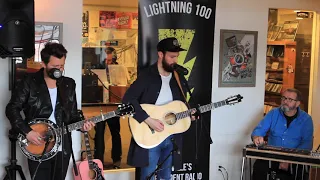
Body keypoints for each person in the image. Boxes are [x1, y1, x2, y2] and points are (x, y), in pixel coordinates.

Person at [5, 42, 95, 180]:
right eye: (54, 67)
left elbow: (72, 116)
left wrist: (82, 125)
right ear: (43, 64)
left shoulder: (68, 84)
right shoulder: (29, 82)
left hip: (62, 146)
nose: (58, 70)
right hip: (38, 144)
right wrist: (27, 132)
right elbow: (12, 108)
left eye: (61, 66)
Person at [122, 37, 197, 180]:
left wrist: (189, 115)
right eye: (171, 56)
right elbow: (128, 100)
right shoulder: (147, 76)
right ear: (161, 54)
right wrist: (148, 120)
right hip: (149, 135)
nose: (175, 60)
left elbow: (181, 105)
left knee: (165, 177)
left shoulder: (178, 78)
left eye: (176, 57)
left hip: (171, 136)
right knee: (147, 176)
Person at [251, 88, 314, 180]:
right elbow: (259, 129)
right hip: (273, 156)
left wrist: (289, 161)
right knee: (259, 167)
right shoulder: (273, 113)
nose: (285, 101)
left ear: (297, 103)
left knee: (299, 172)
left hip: (296, 158)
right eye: (283, 98)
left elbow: (307, 144)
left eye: (290, 99)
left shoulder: (306, 119)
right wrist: (256, 136)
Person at [94, 46, 122, 169]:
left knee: (115, 132)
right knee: (99, 133)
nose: (108, 63)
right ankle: (98, 160)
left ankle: (116, 159)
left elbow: (122, 84)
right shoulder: (96, 70)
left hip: (113, 105)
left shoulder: (118, 69)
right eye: (105, 61)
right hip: (99, 104)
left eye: (110, 61)